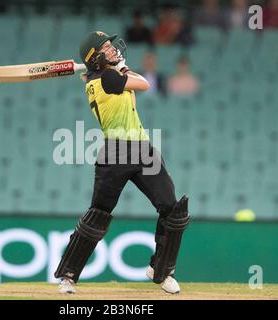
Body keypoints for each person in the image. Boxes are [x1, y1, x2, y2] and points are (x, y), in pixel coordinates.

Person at [54, 31, 190, 294]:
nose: (113, 49)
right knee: (98, 215)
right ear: (95, 59)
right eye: (106, 47)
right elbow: (144, 84)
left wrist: (119, 67)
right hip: (115, 152)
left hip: (142, 149)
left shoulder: (107, 76)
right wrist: (121, 67)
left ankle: (162, 271)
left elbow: (134, 87)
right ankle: (69, 275)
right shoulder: (106, 78)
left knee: (172, 209)